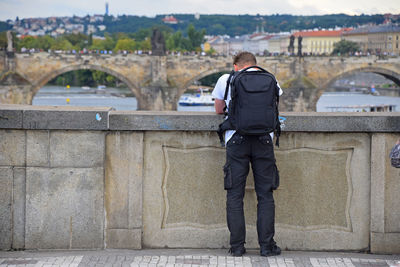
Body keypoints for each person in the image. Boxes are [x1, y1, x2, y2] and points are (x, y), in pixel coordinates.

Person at [212, 51, 283, 257]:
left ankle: (237, 247)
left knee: (235, 195)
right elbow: (274, 106)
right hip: (263, 140)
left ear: (236, 65)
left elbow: (218, 109)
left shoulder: (227, 79)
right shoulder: (270, 78)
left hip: (236, 140)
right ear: (254, 64)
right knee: (266, 195)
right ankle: (267, 246)